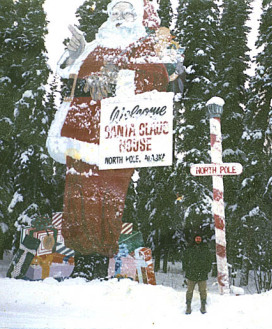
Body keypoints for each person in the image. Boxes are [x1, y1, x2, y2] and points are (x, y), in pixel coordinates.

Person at [47, 0, 181, 258]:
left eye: (127, 13)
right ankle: (80, 258)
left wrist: (118, 78)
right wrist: (75, 55)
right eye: (115, 12)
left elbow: (157, 79)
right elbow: (69, 77)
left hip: (116, 139)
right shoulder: (96, 45)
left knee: (108, 199)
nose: (120, 17)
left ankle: (100, 259)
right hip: (80, 133)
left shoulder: (142, 46)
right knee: (77, 196)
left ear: (137, 17)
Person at [182, 235, 212, 314]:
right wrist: (186, 268)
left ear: (201, 239)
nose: (198, 239)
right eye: (196, 238)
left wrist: (207, 269)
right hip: (191, 274)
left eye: (199, 238)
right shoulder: (189, 249)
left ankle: (203, 306)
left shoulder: (205, 249)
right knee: (189, 291)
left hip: (202, 274)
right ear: (194, 239)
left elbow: (209, 260)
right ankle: (188, 306)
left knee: (203, 291)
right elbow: (184, 259)